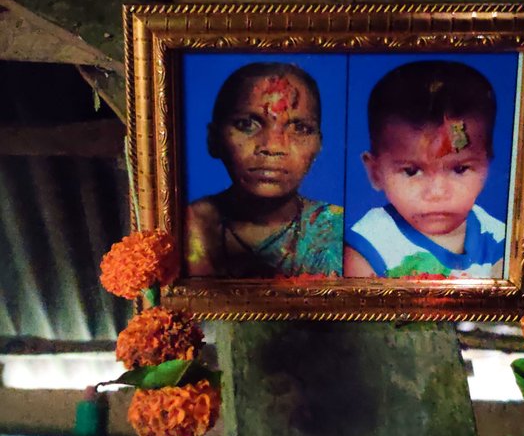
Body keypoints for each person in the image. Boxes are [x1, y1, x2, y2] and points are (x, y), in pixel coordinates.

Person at [344, 60, 505, 278]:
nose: (437, 192)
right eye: (411, 171)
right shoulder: (368, 247)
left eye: (459, 169)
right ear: (375, 172)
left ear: (487, 165)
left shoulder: (499, 239)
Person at [186, 62, 343, 278]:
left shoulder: (339, 230)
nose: (273, 147)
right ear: (213, 140)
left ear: (318, 145)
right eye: (247, 124)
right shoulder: (186, 226)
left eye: (299, 128)